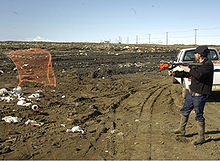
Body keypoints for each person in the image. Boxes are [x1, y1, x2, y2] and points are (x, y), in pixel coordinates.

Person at [169, 46, 214, 145]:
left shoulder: (208, 65)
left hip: (200, 95)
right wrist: (174, 73)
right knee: (185, 110)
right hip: (192, 92)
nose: (194, 55)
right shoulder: (197, 64)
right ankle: (181, 130)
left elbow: (199, 75)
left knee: (199, 115)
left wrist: (188, 70)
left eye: (196, 53)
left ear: (200, 55)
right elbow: (187, 74)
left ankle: (201, 137)